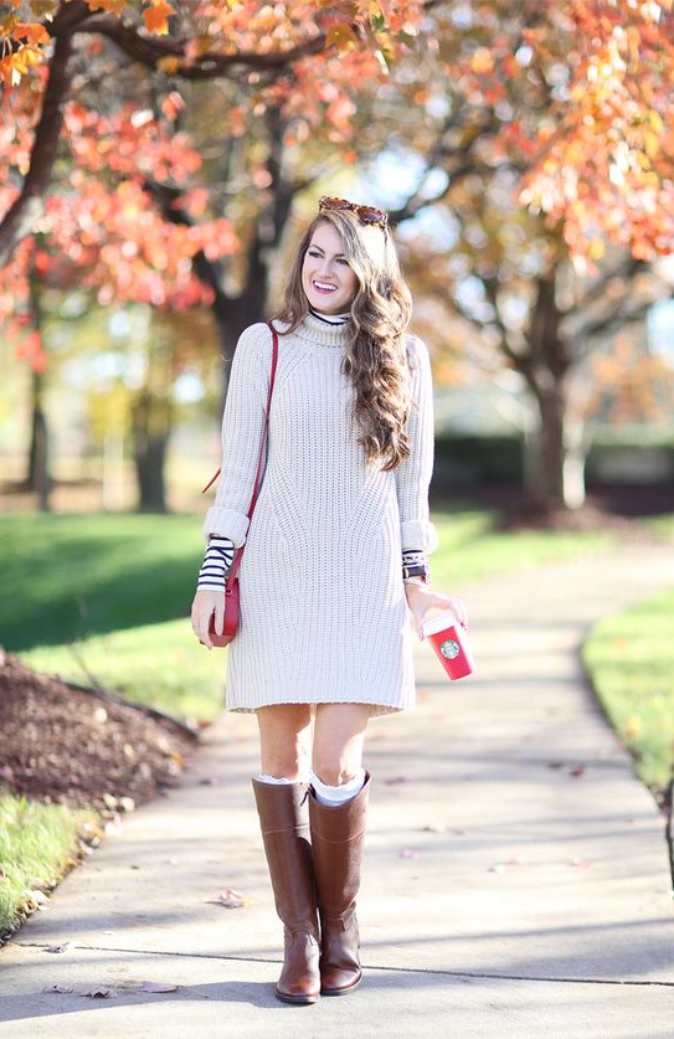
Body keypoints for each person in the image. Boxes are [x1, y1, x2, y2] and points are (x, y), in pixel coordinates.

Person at [191, 196, 466, 1006]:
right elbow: (238, 472)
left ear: (370, 272)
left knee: (335, 760)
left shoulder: (404, 358)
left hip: (364, 581)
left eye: (342, 258)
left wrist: (419, 585)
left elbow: (412, 491)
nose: (323, 270)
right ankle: (299, 940)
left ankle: (341, 926)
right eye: (314, 253)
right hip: (275, 577)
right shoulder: (262, 347)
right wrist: (214, 574)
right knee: (279, 762)